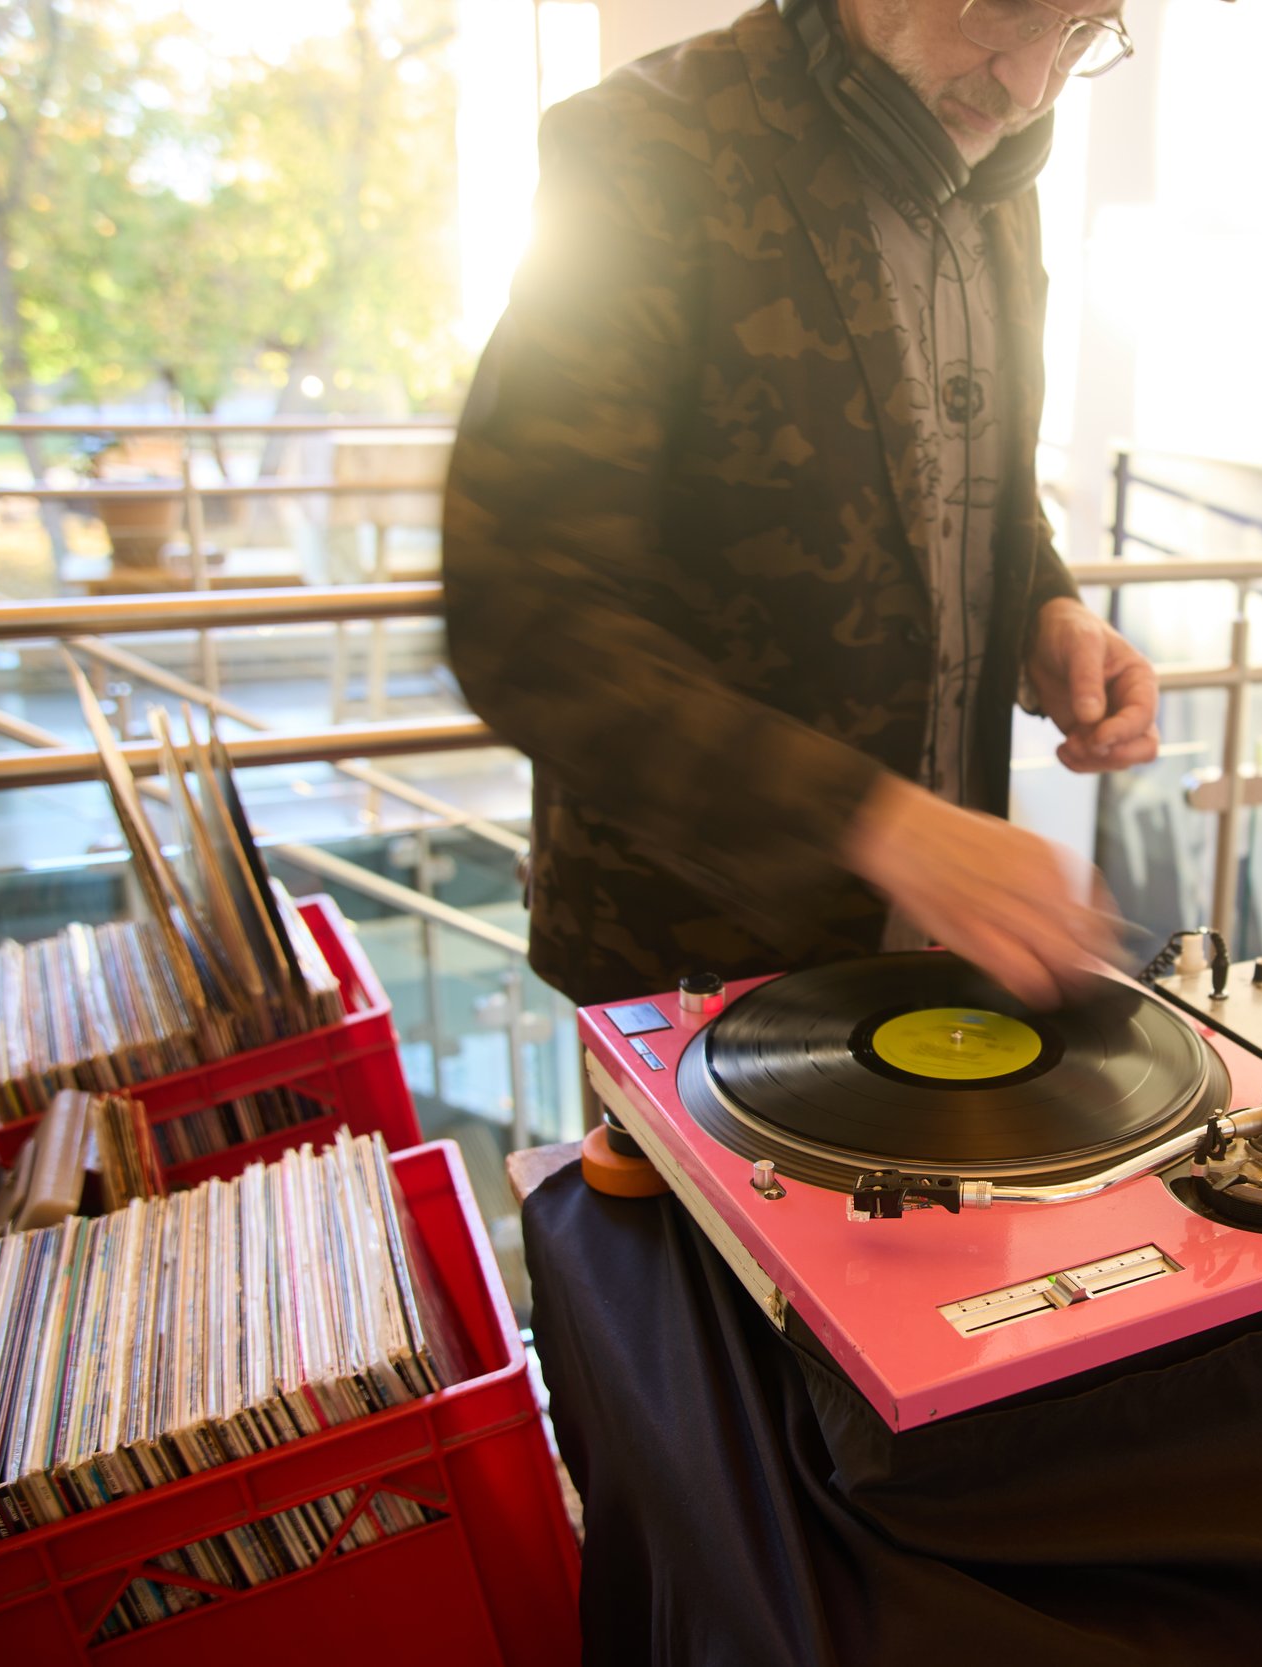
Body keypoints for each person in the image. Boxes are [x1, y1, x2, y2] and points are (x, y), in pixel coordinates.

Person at [443, 0, 1171, 1010]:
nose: (1031, 85)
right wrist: (882, 823)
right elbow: (524, 615)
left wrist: (1043, 605)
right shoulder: (640, 144)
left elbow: (961, 468)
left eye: (1083, 30)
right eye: (1008, 10)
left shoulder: (991, 158)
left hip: (932, 944)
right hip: (691, 958)